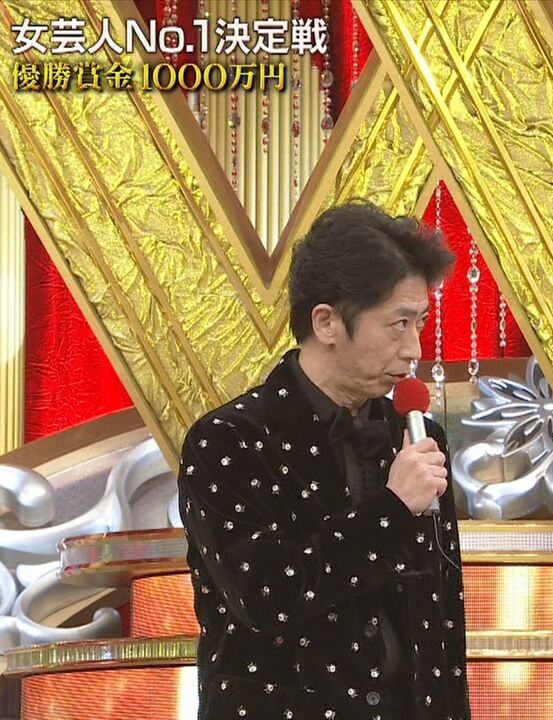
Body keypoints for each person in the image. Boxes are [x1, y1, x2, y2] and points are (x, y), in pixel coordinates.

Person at [178, 201, 470, 720]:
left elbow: (442, 620)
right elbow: (267, 597)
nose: (413, 349)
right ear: (327, 322)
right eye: (398, 324)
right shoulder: (229, 442)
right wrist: (391, 510)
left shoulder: (413, 438)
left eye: (420, 323)